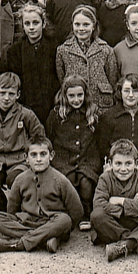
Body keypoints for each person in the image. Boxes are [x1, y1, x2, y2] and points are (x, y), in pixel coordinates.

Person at [0, 136, 83, 253]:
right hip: (26, 223)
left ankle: (18, 243)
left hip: (50, 222)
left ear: (51, 155)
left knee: (65, 220)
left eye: (43, 154)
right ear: (26, 158)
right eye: (33, 155)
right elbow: (12, 209)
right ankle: (45, 239)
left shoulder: (60, 180)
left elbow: (77, 211)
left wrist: (61, 227)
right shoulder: (20, 179)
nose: (38, 159)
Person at [0, 72, 46, 212]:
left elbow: (39, 137)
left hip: (20, 160)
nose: (6, 98)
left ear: (18, 95)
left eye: (11, 94)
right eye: (2, 93)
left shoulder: (26, 114)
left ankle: (17, 210)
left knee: (16, 180)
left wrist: (30, 158)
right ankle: (2, 208)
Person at [91, 139, 138, 262]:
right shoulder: (105, 178)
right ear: (110, 163)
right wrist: (131, 205)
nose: (123, 169)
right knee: (97, 215)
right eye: (118, 163)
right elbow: (98, 204)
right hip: (114, 224)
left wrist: (120, 200)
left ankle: (124, 245)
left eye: (128, 163)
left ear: (136, 163)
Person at [46, 75, 101, 232]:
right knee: (68, 180)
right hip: (64, 159)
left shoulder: (92, 114)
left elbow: (99, 140)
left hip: (87, 158)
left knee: (86, 183)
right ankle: (70, 214)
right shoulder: (56, 115)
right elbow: (50, 137)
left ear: (85, 94)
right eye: (71, 96)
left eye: (80, 95)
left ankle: (86, 214)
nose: (76, 100)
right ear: (65, 95)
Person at [96, 73, 138, 189]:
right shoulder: (109, 117)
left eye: (135, 91)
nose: (131, 95)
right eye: (126, 91)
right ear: (120, 92)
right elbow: (102, 147)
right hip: (116, 163)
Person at [55, 5, 119, 113]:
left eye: (86, 24)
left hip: (101, 106)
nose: (81, 29)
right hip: (76, 107)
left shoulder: (106, 50)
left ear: (93, 26)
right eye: (77, 24)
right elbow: (62, 79)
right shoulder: (63, 50)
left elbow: (112, 79)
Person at [5, 2, 59, 126]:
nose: (31, 28)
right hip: (25, 108)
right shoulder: (14, 51)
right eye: (27, 23)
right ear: (22, 26)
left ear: (43, 24)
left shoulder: (54, 47)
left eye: (35, 23)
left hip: (51, 106)